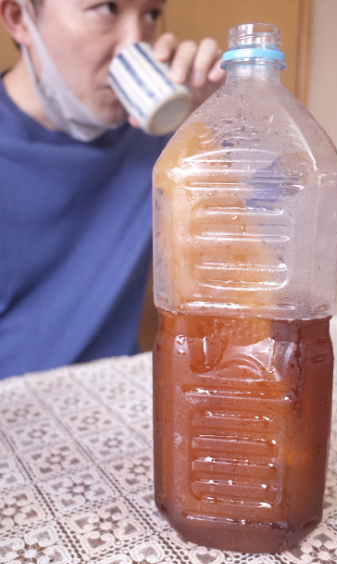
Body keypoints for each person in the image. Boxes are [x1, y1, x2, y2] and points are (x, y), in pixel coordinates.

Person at [0, 0, 225, 378]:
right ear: (20, 18)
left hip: (112, 400)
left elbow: (250, 275)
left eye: (151, 14)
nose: (135, 45)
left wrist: (219, 126)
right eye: (105, 9)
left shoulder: (163, 136)